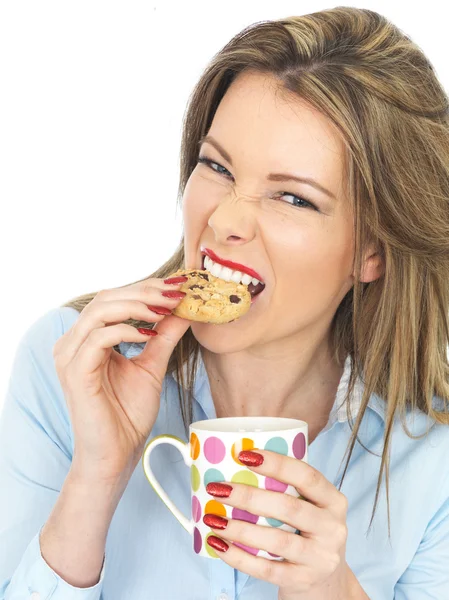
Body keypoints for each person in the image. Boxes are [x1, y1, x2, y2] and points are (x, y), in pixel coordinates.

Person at [1, 6, 449, 600]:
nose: (227, 219)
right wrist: (97, 476)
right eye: (216, 166)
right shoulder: (72, 366)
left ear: (372, 252)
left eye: (293, 198)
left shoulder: (430, 458)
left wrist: (331, 590)